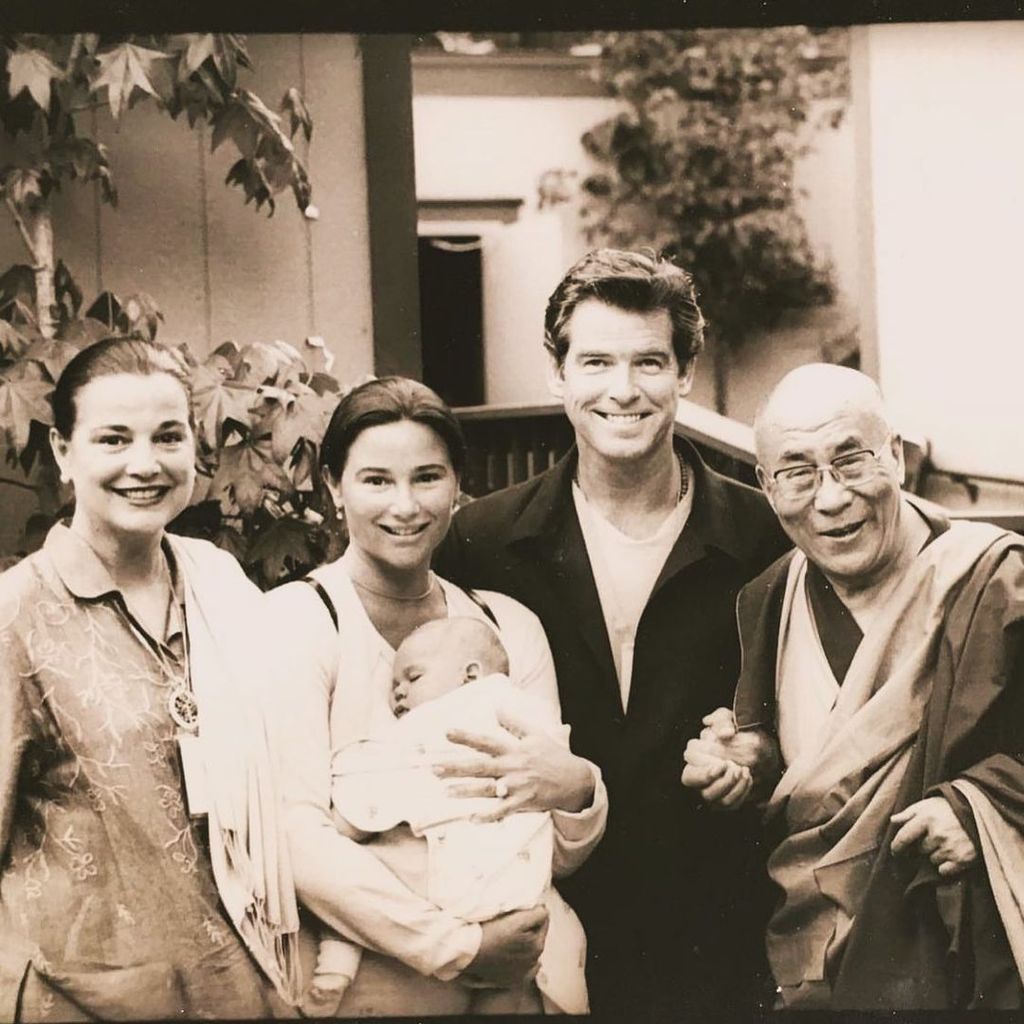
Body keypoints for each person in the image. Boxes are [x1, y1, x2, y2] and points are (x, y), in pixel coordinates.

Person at [435, 248, 790, 1017]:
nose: (622, 390)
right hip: (549, 938)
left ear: (684, 373)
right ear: (558, 374)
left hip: (722, 939)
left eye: (649, 363)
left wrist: (760, 752)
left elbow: (822, 710)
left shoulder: (767, 537)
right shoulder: (483, 544)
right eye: (595, 361)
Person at [683, 362, 1024, 1009]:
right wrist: (747, 763)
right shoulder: (768, 600)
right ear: (764, 484)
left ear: (896, 456)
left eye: (852, 460)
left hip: (958, 966)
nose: (831, 497)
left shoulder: (994, 580)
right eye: (797, 472)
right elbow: (798, 768)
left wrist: (974, 809)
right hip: (809, 967)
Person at [266, 376, 607, 1017]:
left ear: (458, 488)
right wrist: (458, 947)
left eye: (427, 477)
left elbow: (547, 850)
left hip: (516, 976)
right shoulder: (299, 621)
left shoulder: (504, 627)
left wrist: (579, 792)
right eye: (375, 480)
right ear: (334, 488)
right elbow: (296, 837)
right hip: (368, 984)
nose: (405, 505)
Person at [0, 338, 300, 1021]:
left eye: (168, 436)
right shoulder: (16, 617)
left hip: (234, 981)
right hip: (81, 994)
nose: (145, 464)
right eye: (113, 438)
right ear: (62, 452)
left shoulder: (217, 581)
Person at [308, 616, 587, 1016]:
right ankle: (335, 968)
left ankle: (337, 965)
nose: (398, 693)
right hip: (434, 872)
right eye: (393, 686)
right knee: (360, 880)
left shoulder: (496, 699)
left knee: (515, 970)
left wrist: (572, 776)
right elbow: (384, 766)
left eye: (412, 677)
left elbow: (552, 753)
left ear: (471, 675)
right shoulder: (410, 726)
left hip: (500, 862)